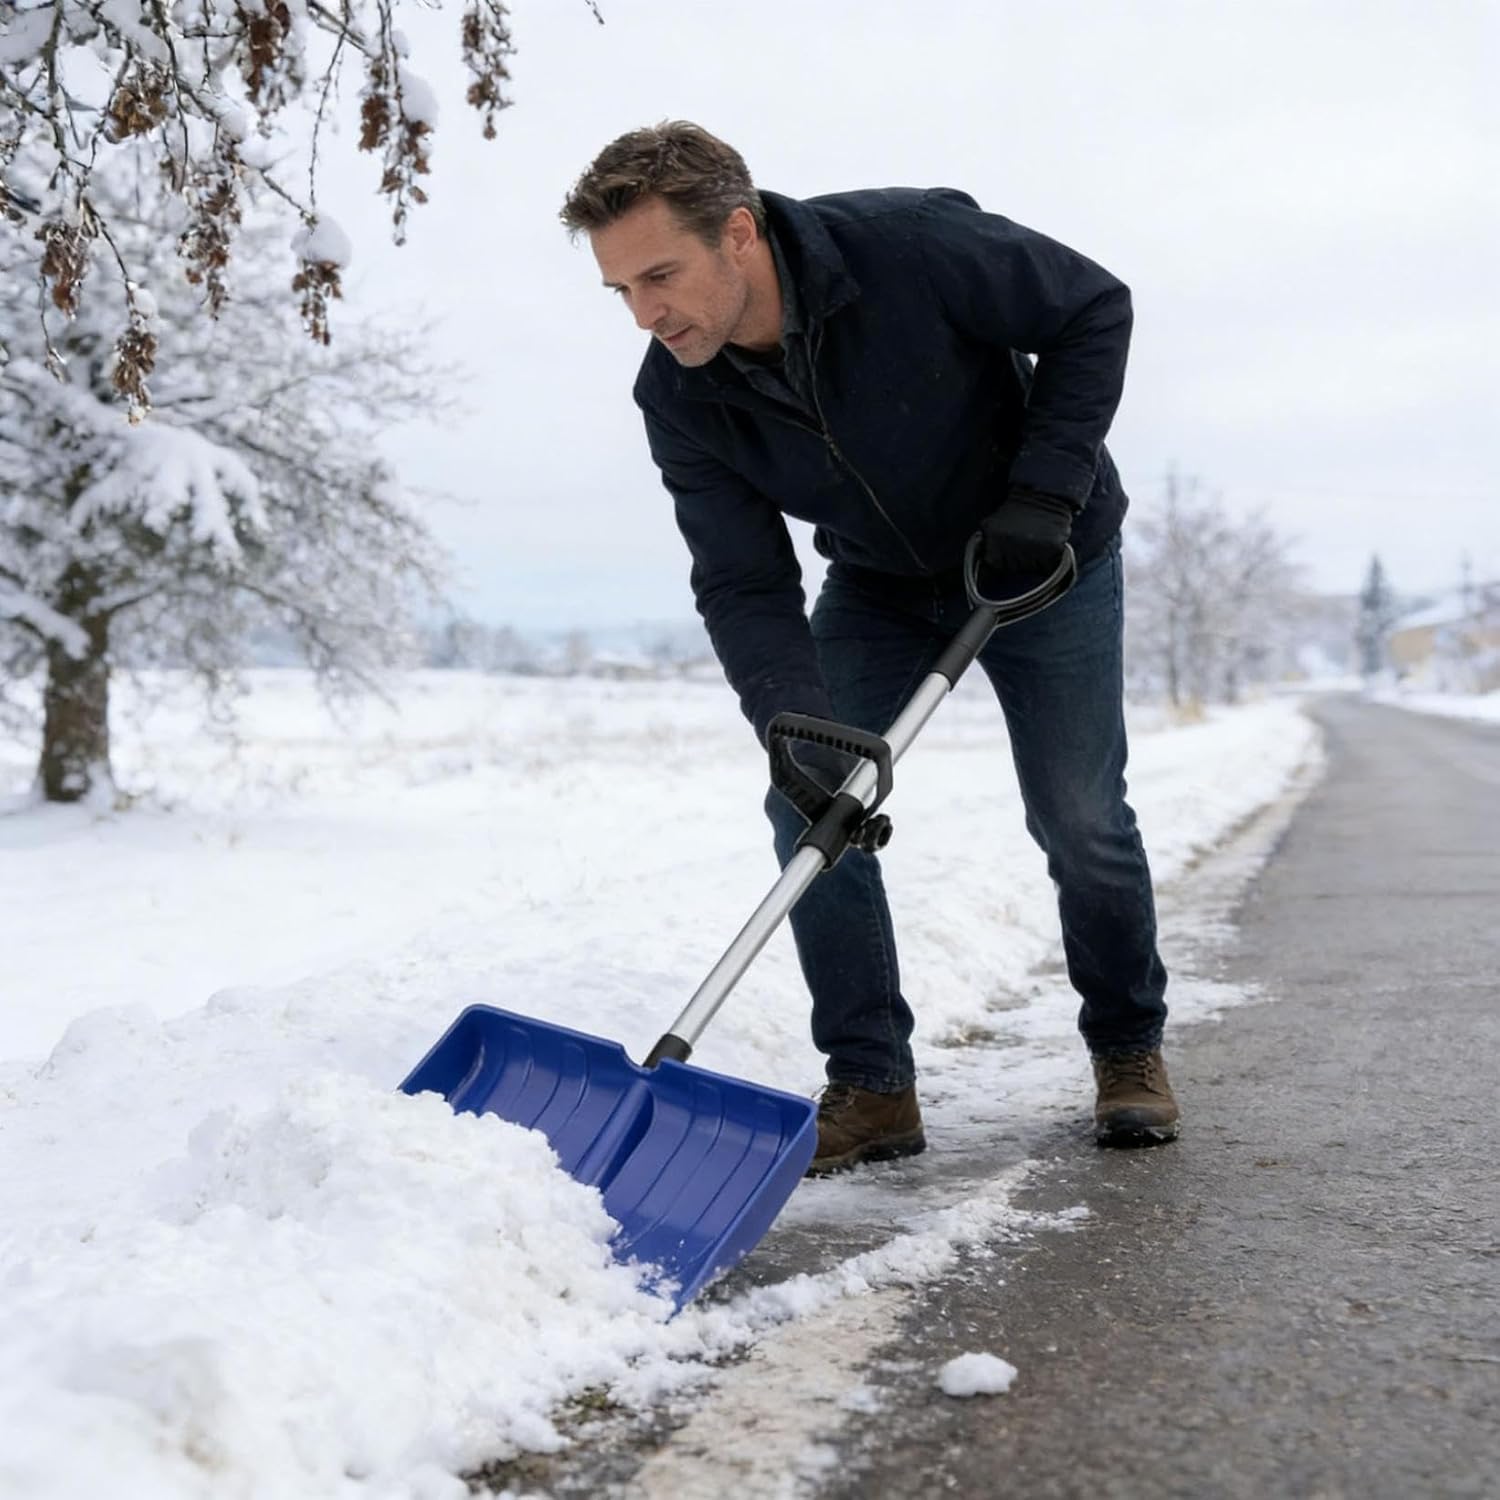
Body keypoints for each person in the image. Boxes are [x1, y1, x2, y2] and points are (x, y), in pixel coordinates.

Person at [560, 121, 1178, 1172]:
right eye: (621, 290)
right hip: (884, 586)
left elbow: (1090, 308)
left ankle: (1127, 1047)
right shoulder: (678, 394)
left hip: (1045, 557)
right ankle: (874, 1086)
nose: (646, 313)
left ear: (741, 236)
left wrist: (1042, 494)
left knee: (1078, 813)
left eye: (660, 275)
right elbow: (743, 577)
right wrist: (786, 717)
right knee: (808, 801)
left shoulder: (910, 246)